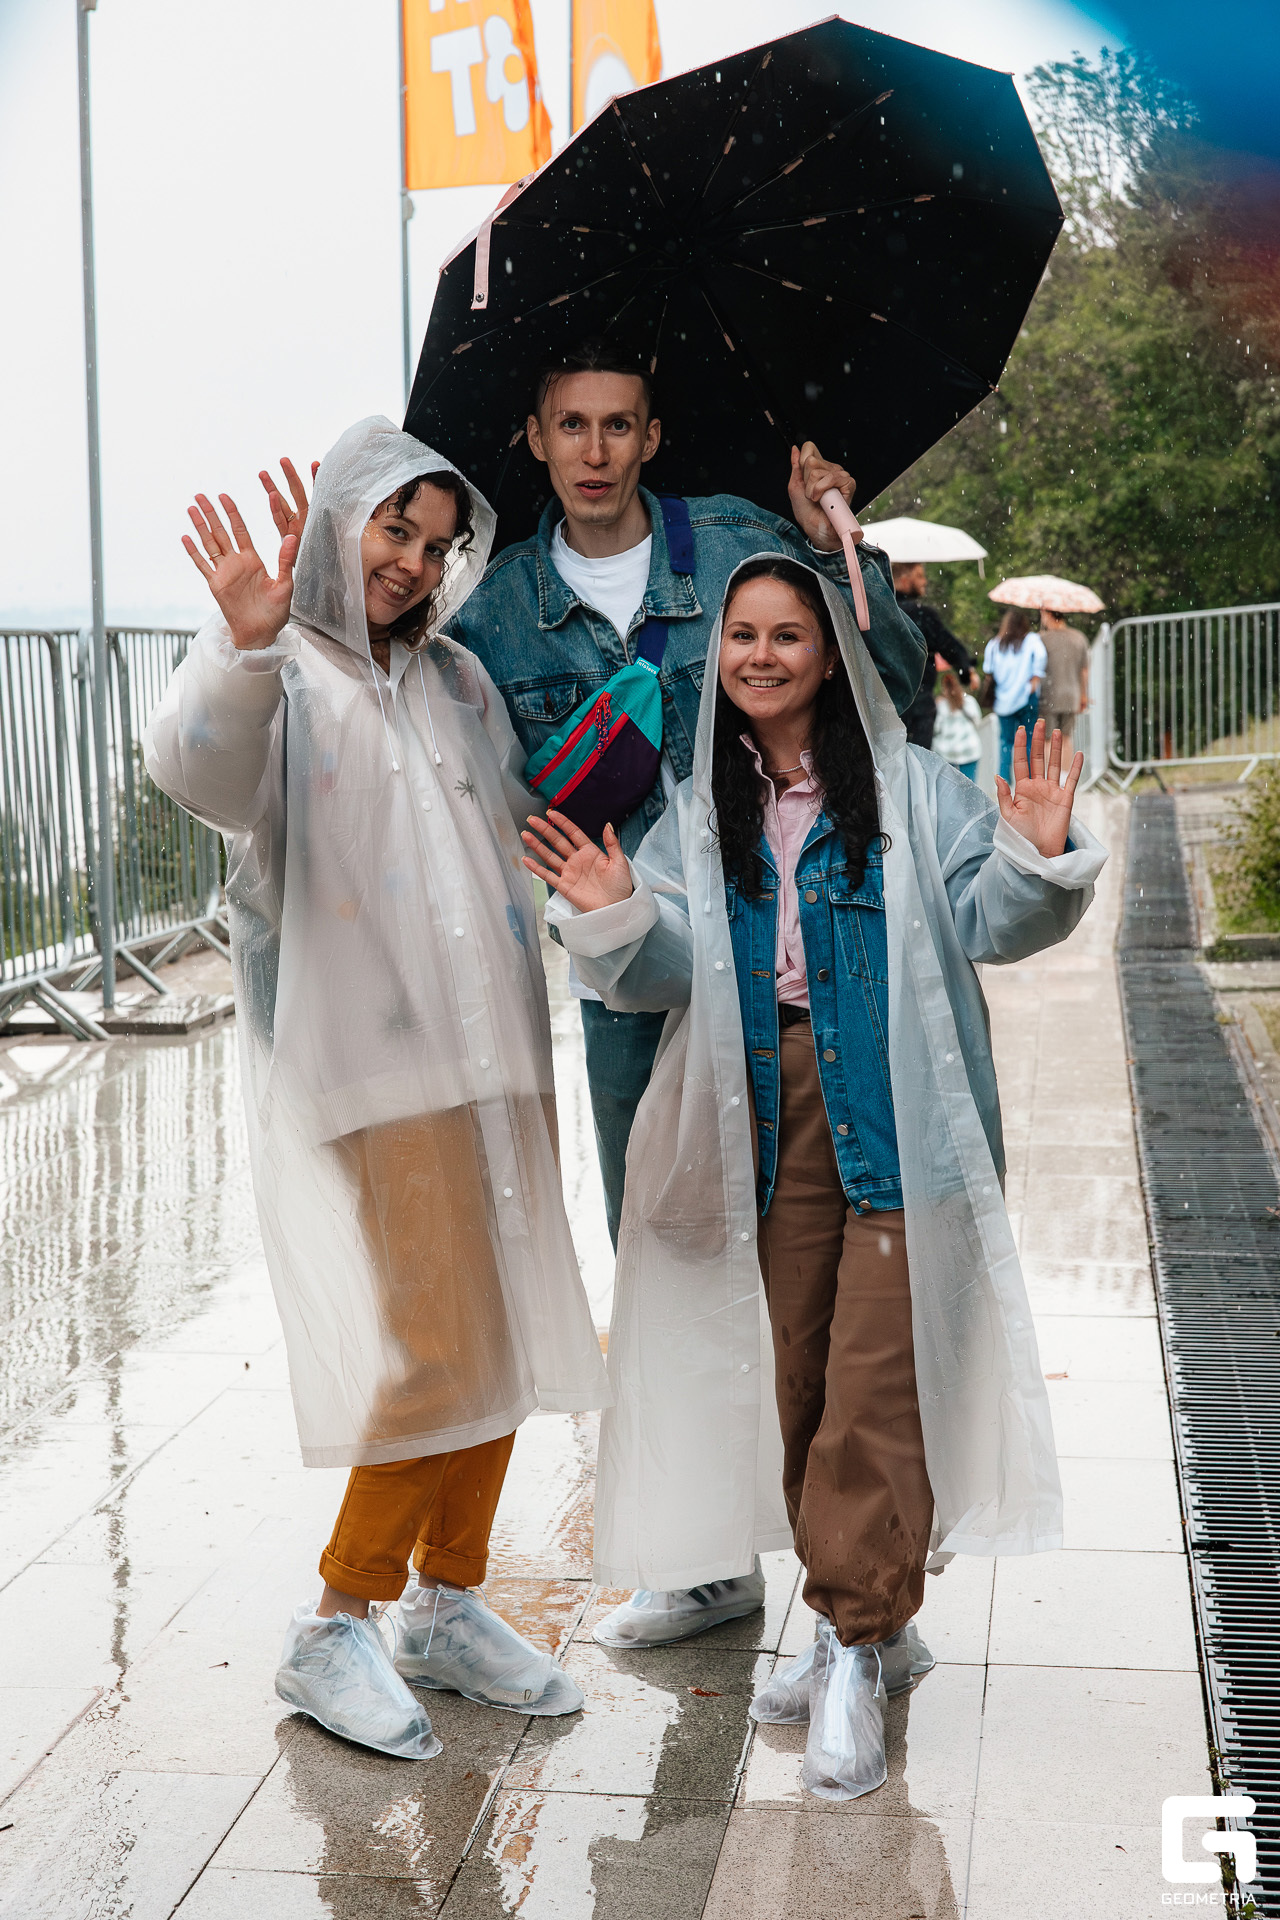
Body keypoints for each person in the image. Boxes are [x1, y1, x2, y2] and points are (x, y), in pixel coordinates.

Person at [522, 554, 1105, 1801]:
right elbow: (670, 970)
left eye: (787, 634)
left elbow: (987, 920)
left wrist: (1033, 857)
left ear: (830, 653)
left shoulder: (912, 788)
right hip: (765, 1113)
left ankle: (846, 1643)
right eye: (741, 635)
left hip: (894, 1112)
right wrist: (618, 910)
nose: (760, 655)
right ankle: (875, 1628)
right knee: (797, 1379)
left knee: (874, 1389)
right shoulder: (701, 807)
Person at [444, 339, 927, 1650]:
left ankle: (860, 1562)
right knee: (665, 1251)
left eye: (620, 424)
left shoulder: (735, 542)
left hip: (785, 950)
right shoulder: (493, 611)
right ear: (536, 439)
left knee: (820, 1258)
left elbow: (893, 683)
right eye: (571, 425)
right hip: (624, 963)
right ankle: (710, 1559)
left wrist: (838, 545)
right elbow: (464, 785)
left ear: (654, 436)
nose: (595, 450)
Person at [143, 418, 609, 1762]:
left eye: (435, 540)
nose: (411, 560)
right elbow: (198, 770)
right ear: (340, 525)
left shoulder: (455, 678)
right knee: (438, 1338)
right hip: (372, 1060)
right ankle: (336, 1617)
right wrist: (244, 644)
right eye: (390, 528)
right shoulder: (284, 669)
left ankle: (447, 1599)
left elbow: (520, 819)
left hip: (497, 1049)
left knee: (508, 1321)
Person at [891, 560, 973, 749]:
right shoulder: (921, 614)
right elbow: (948, 645)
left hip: (884, 708)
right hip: (918, 706)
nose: (925, 581)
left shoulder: (876, 612)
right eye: (919, 576)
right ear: (903, 579)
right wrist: (966, 671)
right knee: (918, 761)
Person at [983, 609, 1048, 785]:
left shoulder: (994, 645)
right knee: (1028, 740)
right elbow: (1041, 658)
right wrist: (1034, 680)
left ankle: (1004, 783)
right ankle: (1028, 781)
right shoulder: (1031, 640)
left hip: (1003, 702)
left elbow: (988, 670)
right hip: (1026, 697)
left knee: (1005, 742)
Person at [1040, 606, 1090, 745]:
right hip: (1072, 696)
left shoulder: (1042, 639)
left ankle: (1050, 761)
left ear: (1048, 614)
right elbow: (1084, 670)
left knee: (1048, 739)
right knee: (1066, 738)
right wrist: (1083, 695)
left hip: (1049, 695)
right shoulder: (1079, 637)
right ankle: (1066, 761)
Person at [932, 656, 984, 781]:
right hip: (969, 750)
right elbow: (978, 721)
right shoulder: (969, 701)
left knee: (951, 788)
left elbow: (936, 728)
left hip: (948, 753)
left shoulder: (940, 706)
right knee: (970, 787)